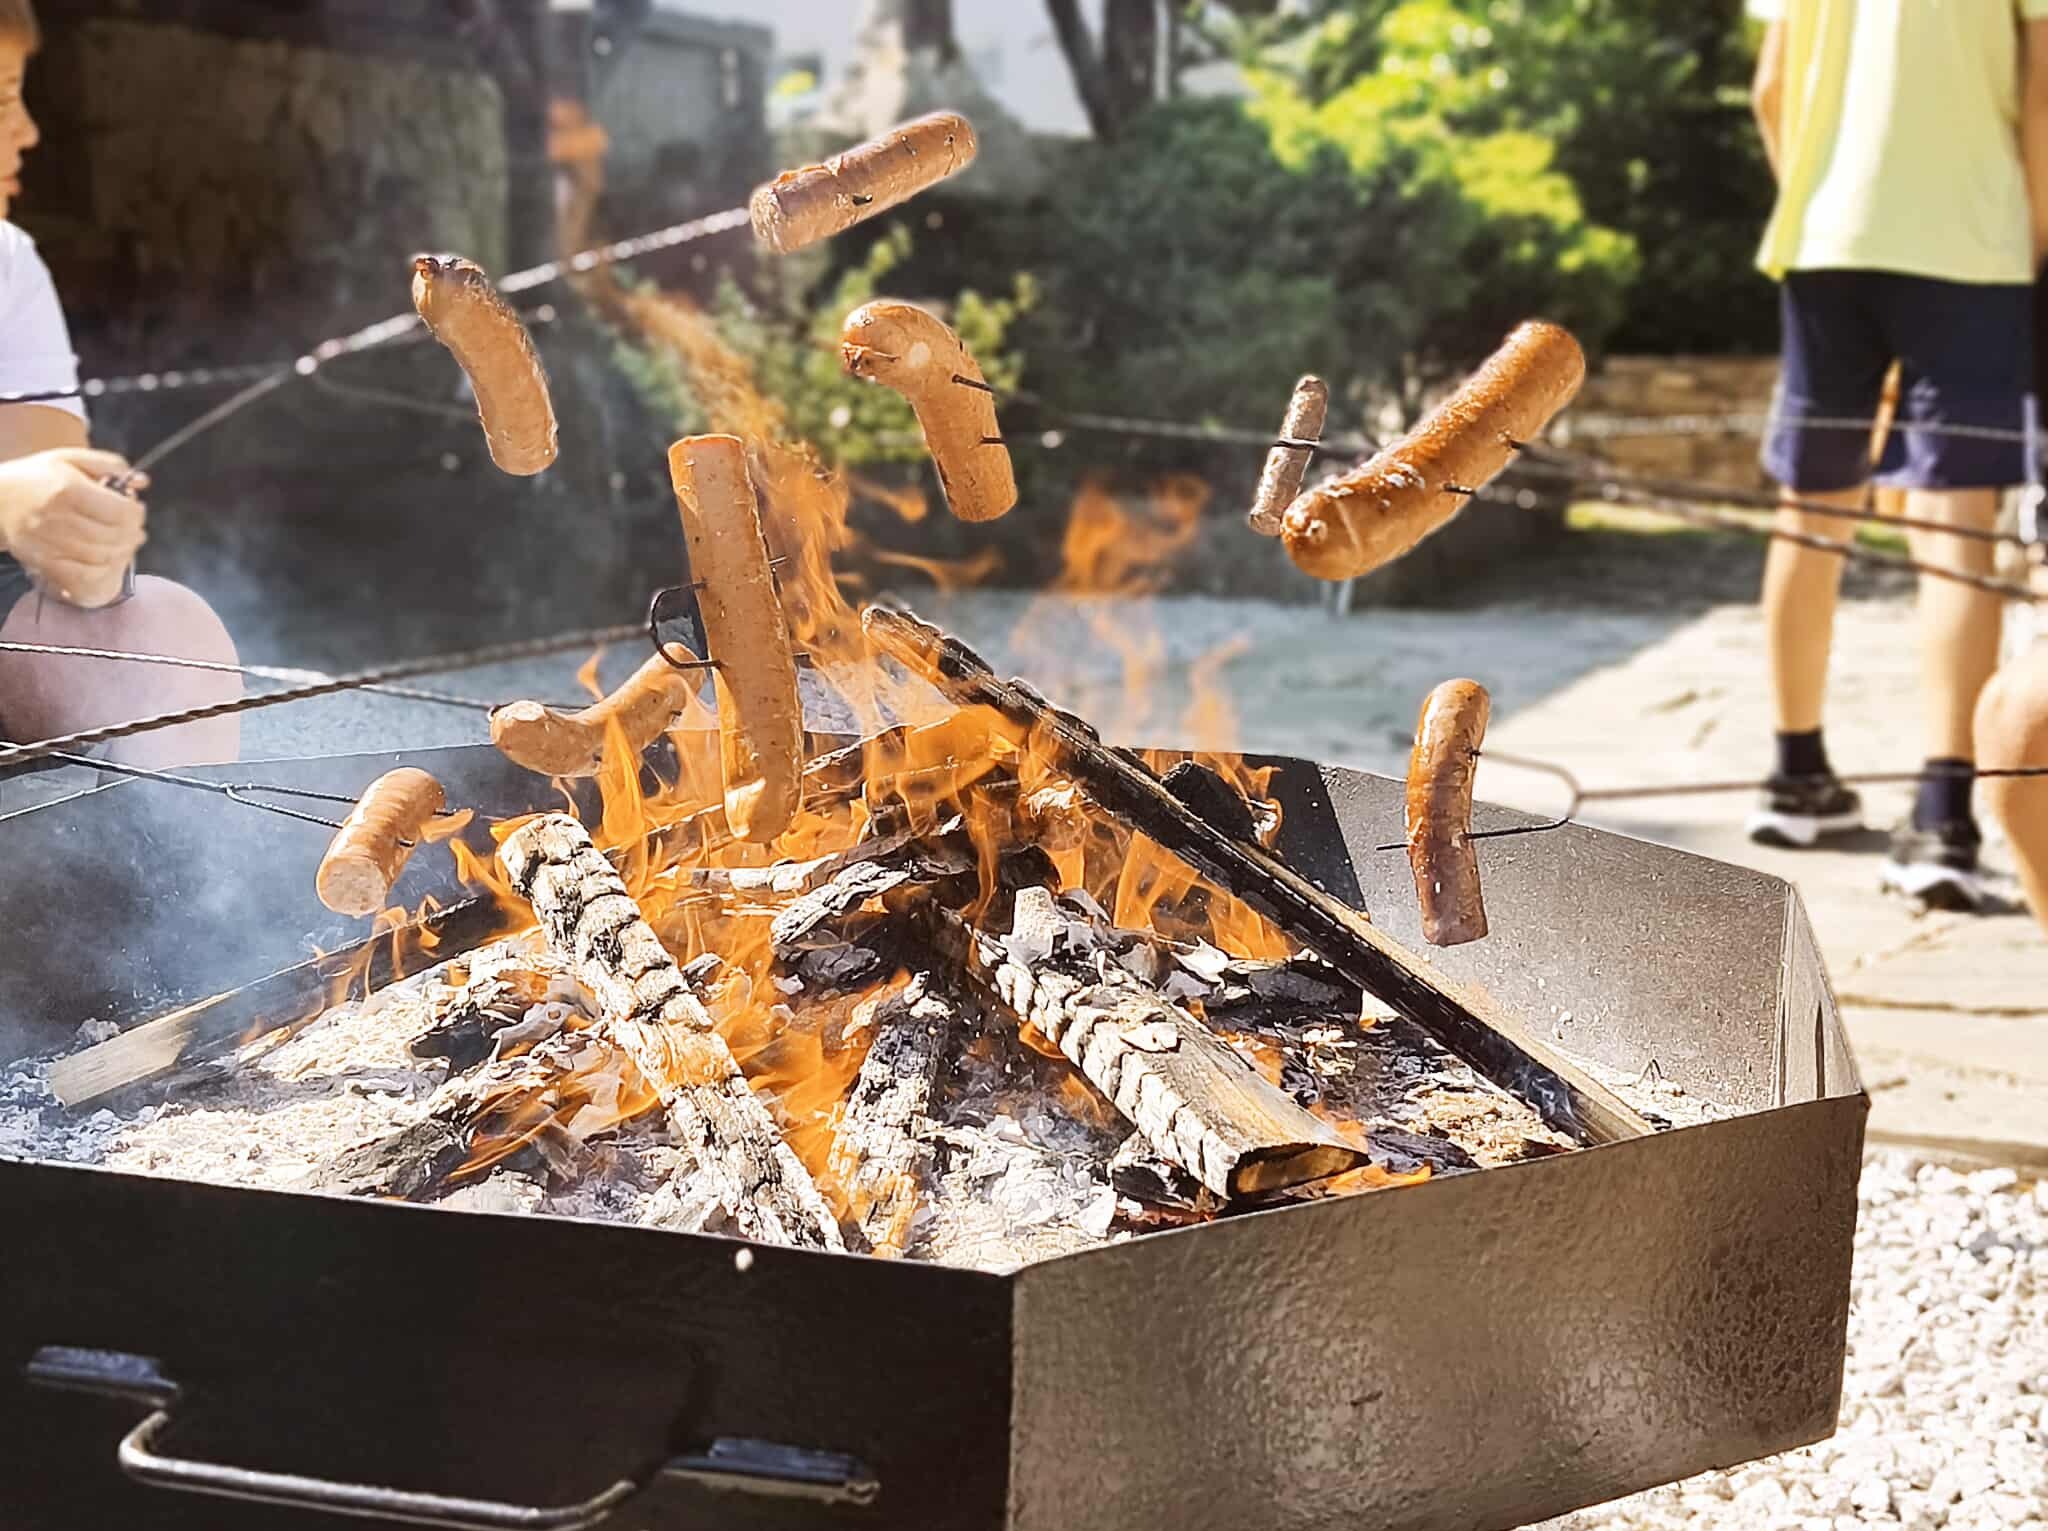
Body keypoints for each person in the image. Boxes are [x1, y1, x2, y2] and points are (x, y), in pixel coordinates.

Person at [1746, 0, 2048, 911]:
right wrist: (2034, 251)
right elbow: (2041, 98)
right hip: (1973, 246)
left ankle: (1796, 777)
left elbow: (1770, 90)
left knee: (1813, 508)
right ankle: (1942, 817)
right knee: (1957, 524)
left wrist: (1829, 208)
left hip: (1827, 241)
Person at [0, 0, 239, 770]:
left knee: (171, 639)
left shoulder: (8, 267)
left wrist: (82, 542)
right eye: (3, 99)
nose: (29, 131)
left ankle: (186, 889)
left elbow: (40, 495)